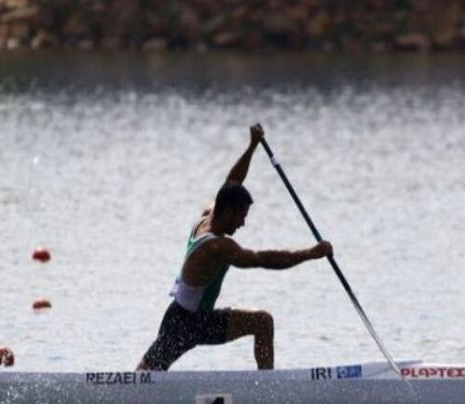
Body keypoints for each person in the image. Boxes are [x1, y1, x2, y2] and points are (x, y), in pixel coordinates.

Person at [137, 123, 332, 371]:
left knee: (262, 322)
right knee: (143, 379)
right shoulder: (217, 247)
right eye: (241, 215)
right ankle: (119, 394)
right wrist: (311, 253)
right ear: (227, 211)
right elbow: (263, 259)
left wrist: (251, 147)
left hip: (198, 318)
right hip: (184, 323)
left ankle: (266, 387)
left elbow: (231, 183)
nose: (243, 223)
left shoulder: (208, 215)